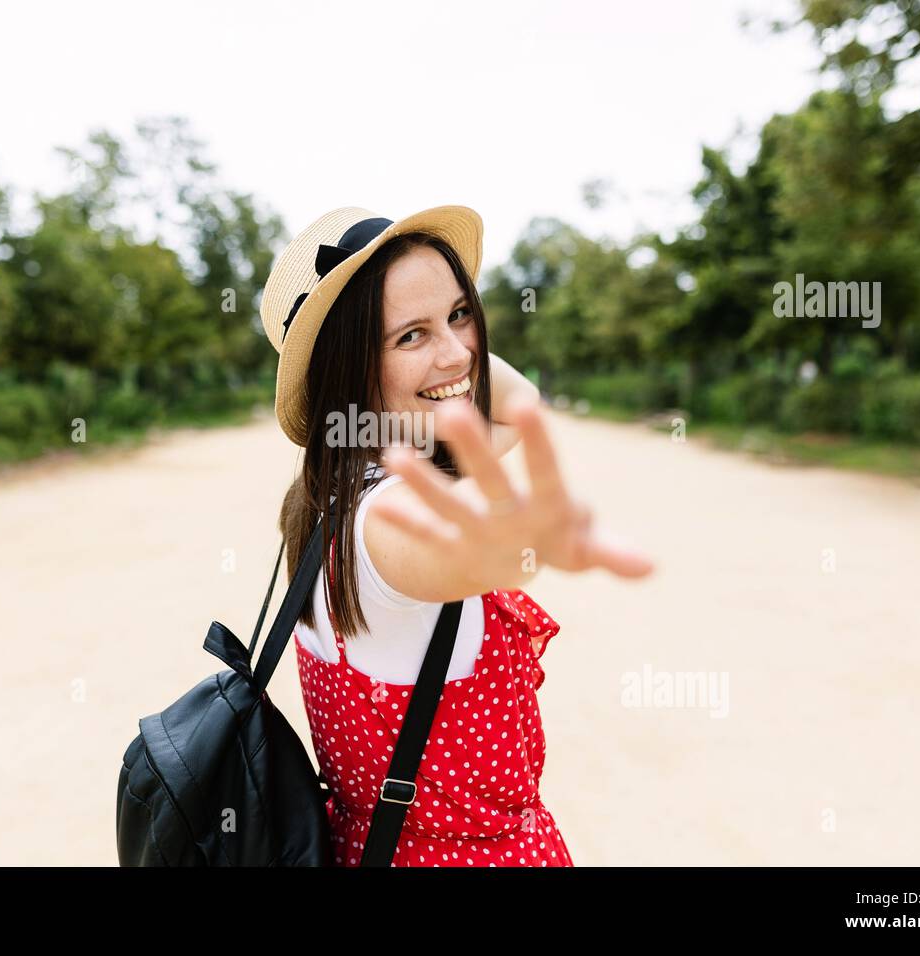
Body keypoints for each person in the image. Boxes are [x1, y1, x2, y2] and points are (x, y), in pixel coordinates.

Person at [260, 205, 655, 866]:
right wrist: (517, 545)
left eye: (460, 314)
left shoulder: (322, 495)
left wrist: (445, 356)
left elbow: (519, 401)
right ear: (351, 368)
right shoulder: (383, 518)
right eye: (409, 336)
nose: (457, 350)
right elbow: (445, 552)